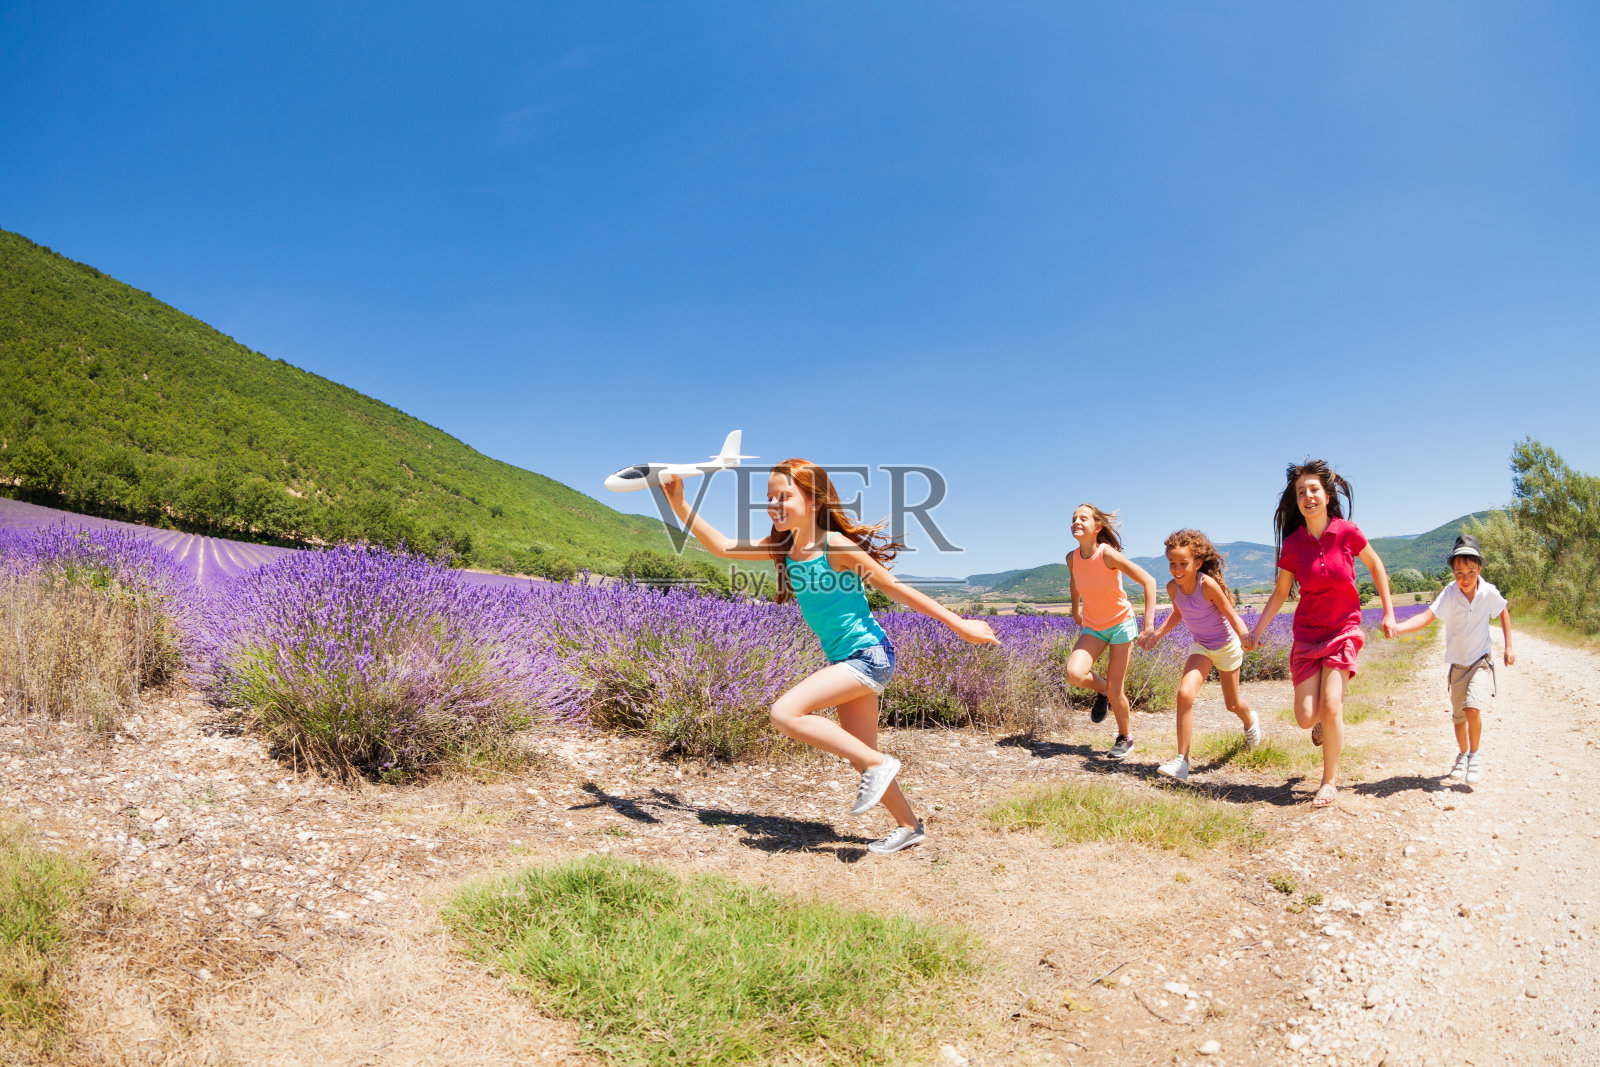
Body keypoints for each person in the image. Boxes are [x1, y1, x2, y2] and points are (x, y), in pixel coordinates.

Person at [658, 460, 998, 854]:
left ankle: (878, 764)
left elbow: (896, 589)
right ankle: (909, 826)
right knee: (862, 754)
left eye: (783, 496)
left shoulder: (834, 546)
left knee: (786, 714)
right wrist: (680, 504)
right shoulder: (784, 548)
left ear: (814, 500)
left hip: (868, 655)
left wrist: (959, 624)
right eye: (769, 498)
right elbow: (720, 545)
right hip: (846, 659)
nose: (774, 505)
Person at [1244, 460, 1397, 807]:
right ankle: (1321, 727)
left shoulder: (1347, 532)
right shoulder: (1294, 544)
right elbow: (1280, 593)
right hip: (1308, 634)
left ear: (1327, 496)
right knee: (1305, 717)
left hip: (1344, 630)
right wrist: (1256, 631)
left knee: (1331, 707)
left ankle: (1329, 782)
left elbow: (1376, 566)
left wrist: (1388, 611)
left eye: (1314, 490)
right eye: (1301, 492)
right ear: (1296, 501)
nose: (1308, 496)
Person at [1391, 533, 1513, 784]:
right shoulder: (1450, 593)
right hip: (1458, 665)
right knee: (1458, 718)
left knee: (1472, 707)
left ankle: (1475, 756)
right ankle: (1463, 755)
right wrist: (1398, 627)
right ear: (1453, 573)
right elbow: (1427, 616)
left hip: (1480, 661)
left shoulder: (1488, 592)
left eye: (1470, 571)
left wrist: (1508, 648)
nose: (1465, 578)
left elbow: (1504, 613)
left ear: (1479, 568)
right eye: (1459, 573)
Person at [1142, 529, 1261, 780]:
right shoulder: (1173, 588)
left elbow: (1230, 614)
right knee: (1184, 694)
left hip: (1227, 646)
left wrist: (1245, 636)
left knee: (1232, 704)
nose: (1176, 569)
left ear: (1197, 563)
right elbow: (1178, 613)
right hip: (1202, 647)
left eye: (1183, 564)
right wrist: (1156, 635)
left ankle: (1250, 722)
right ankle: (1182, 761)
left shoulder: (1207, 585)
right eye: (1172, 564)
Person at [1065, 503, 1159, 761]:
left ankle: (1125, 737)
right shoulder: (1071, 558)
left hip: (1121, 626)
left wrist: (1149, 625)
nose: (1076, 522)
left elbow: (1149, 581)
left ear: (1098, 527)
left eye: (1083, 518)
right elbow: (1075, 582)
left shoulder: (1107, 554)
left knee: (1118, 691)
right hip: (1094, 626)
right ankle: (1104, 690)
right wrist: (1076, 610)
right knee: (1074, 674)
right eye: (1073, 518)